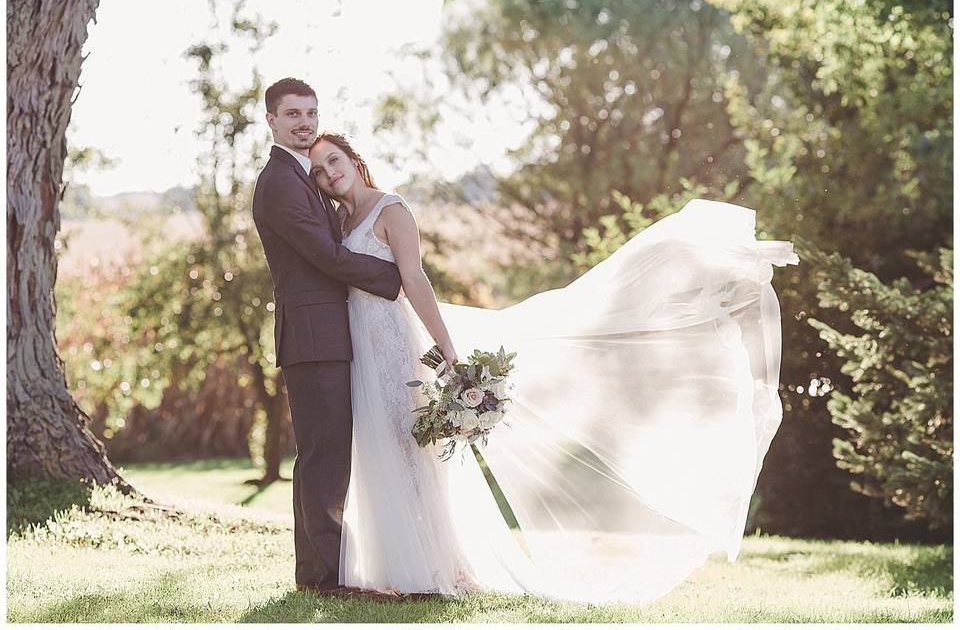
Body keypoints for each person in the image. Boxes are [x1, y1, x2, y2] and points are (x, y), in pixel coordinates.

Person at [308, 131, 800, 605]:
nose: (330, 173)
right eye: (319, 169)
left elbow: (415, 280)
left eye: (335, 160)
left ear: (354, 160)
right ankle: (390, 566)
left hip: (395, 344)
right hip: (361, 352)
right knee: (377, 450)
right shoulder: (340, 223)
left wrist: (446, 350)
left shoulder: (391, 209)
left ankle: (435, 566)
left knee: (413, 451)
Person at [250, 78, 404, 599]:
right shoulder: (279, 182)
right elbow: (325, 257)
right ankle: (323, 579)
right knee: (324, 457)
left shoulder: (302, 177)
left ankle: (319, 574)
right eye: (293, 113)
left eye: (311, 112)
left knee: (327, 454)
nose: (305, 122)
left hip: (329, 336)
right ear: (271, 120)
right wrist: (393, 278)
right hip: (313, 338)